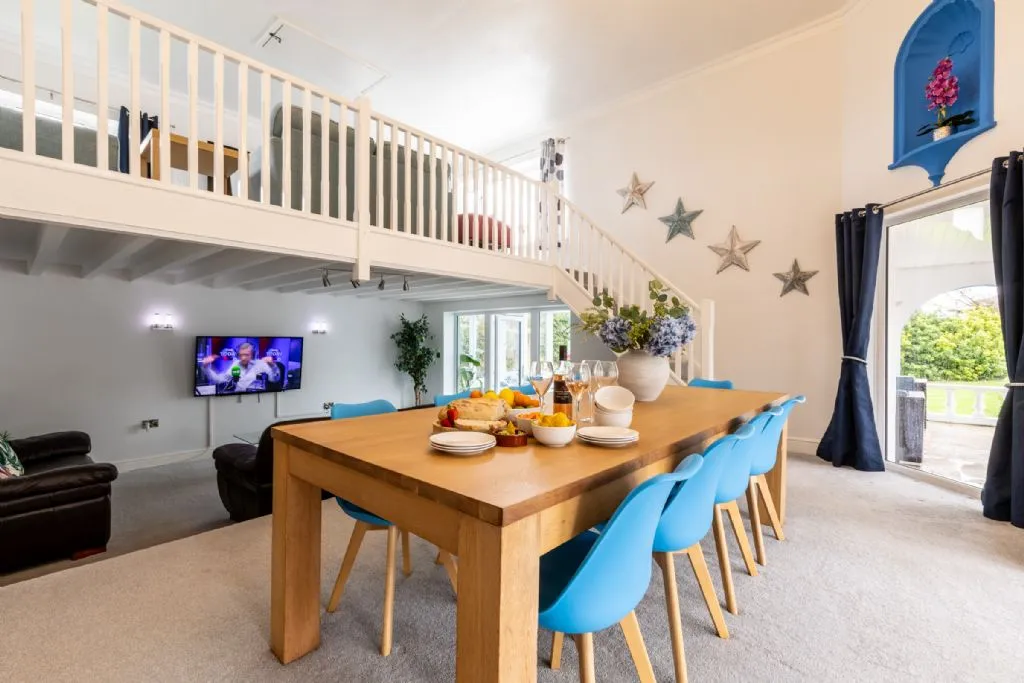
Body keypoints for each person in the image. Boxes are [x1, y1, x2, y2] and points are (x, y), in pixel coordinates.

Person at [201, 342, 280, 392]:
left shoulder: (261, 364)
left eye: (246, 355)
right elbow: (218, 379)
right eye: (241, 355)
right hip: (237, 399)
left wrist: (273, 366)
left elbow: (274, 379)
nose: (243, 358)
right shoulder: (236, 364)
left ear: (253, 354)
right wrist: (206, 367)